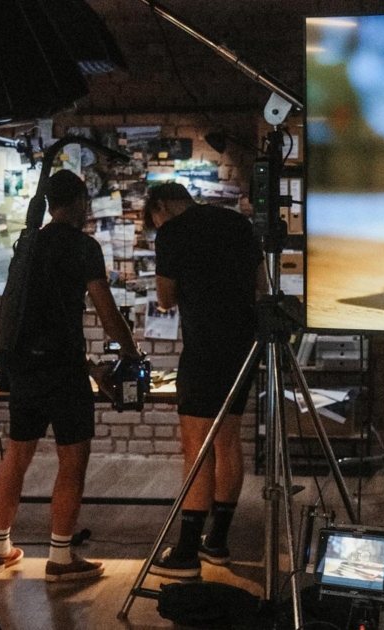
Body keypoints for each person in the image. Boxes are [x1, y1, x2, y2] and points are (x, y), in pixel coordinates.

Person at [0, 170, 140, 582]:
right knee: (72, 461)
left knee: (16, 455)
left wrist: (90, 366)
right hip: (62, 371)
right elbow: (106, 312)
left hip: (24, 367)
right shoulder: (83, 247)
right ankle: (60, 558)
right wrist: (131, 351)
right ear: (79, 202)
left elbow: (32, 316)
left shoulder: (28, 242)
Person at [143, 183, 263, 578]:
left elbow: (164, 298)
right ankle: (218, 542)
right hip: (245, 344)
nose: (158, 224)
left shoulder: (172, 232)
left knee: (196, 446)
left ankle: (187, 552)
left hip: (203, 346)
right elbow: (261, 285)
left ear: (160, 207)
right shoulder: (238, 223)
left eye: (155, 218)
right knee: (228, 441)